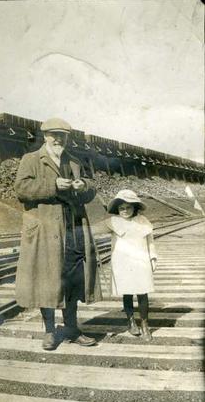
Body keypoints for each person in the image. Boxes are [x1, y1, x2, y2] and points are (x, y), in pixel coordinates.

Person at [14, 117, 102, 350]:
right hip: (46, 232)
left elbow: (91, 189)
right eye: (54, 135)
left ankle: (72, 329)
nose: (58, 139)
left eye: (62, 135)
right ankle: (50, 332)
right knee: (48, 280)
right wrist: (54, 186)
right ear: (45, 136)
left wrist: (83, 185)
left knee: (72, 281)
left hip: (72, 231)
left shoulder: (73, 161)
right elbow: (21, 190)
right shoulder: (31, 159)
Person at [106, 189, 157, 342]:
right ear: (117, 209)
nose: (125, 211)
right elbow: (95, 232)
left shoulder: (143, 221)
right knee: (127, 291)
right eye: (122, 208)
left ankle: (145, 324)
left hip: (141, 259)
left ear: (135, 207)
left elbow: (150, 241)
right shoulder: (114, 222)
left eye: (128, 207)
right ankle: (130, 321)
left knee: (143, 292)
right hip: (122, 260)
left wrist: (153, 257)